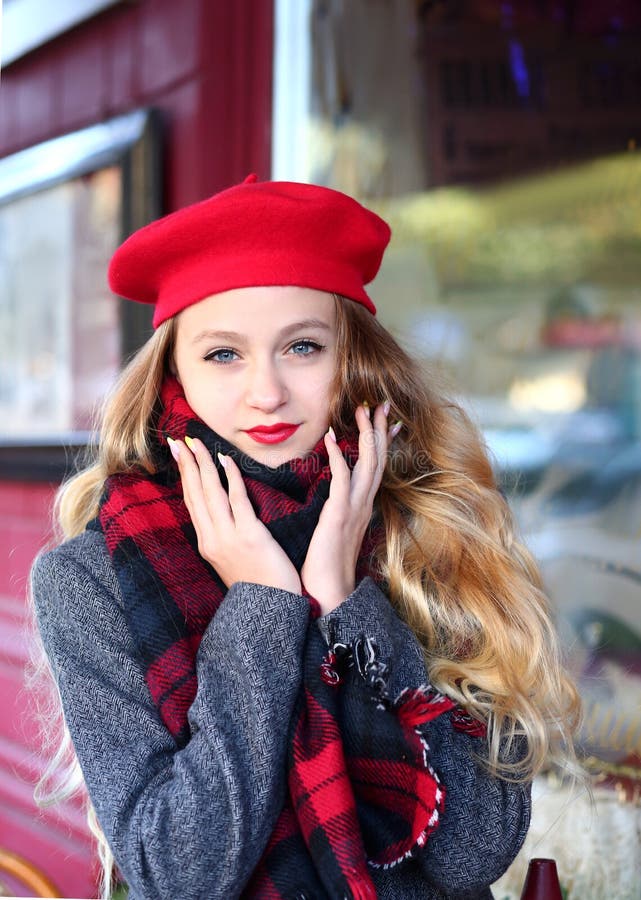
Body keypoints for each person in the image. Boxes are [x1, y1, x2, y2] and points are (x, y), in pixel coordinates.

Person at [31, 176, 580, 900]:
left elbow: (471, 854)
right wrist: (262, 606)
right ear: (174, 370)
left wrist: (346, 604)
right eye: (222, 354)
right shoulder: (93, 575)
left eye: (301, 347)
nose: (265, 392)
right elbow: (178, 874)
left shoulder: (431, 524)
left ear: (350, 358)